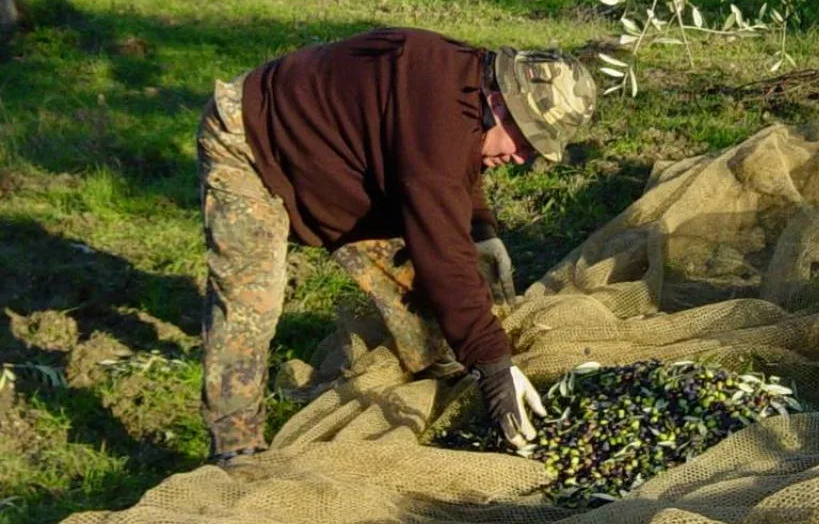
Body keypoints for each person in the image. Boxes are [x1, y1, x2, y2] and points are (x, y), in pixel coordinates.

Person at [195, 27, 598, 465]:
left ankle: (443, 384)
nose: (522, 158)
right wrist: (495, 368)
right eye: (524, 140)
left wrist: (482, 229)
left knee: (416, 293)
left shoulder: (472, 82)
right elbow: (443, 252)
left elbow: (458, 166)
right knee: (249, 305)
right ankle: (235, 449)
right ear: (501, 103)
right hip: (251, 138)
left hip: (339, 167)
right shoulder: (441, 119)